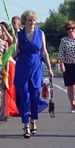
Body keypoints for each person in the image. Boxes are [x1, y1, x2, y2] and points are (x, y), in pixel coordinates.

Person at [13, 10, 53, 138]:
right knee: (24, 96)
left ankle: (33, 121)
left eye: (34, 20)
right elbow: (14, 54)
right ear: (25, 21)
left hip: (36, 67)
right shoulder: (19, 35)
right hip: (22, 66)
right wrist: (14, 44)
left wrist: (50, 68)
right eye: (30, 20)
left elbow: (44, 52)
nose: (32, 22)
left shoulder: (41, 34)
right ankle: (25, 125)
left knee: (35, 96)